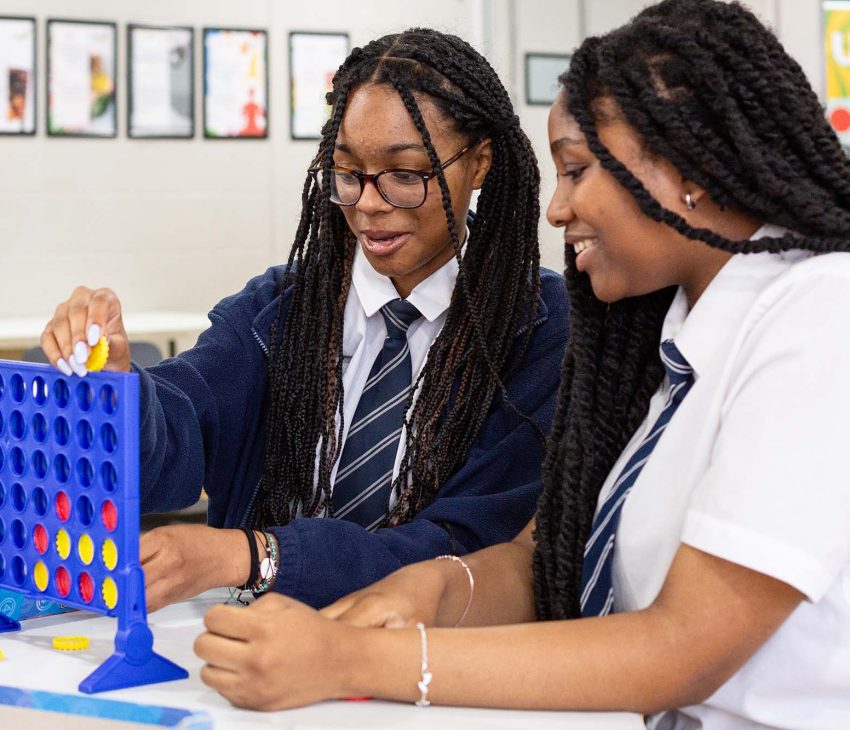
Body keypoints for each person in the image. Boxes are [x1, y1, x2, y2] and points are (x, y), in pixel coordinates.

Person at [191, 2, 850, 726]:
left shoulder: (821, 314)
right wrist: (437, 589)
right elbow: (543, 558)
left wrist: (353, 661)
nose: (557, 209)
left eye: (576, 171)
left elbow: (680, 649)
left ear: (687, 165)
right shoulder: (665, 341)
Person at [40, 29, 568, 612]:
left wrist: (258, 555)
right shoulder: (283, 307)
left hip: (430, 668)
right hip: (261, 655)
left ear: (480, 163)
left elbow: (469, 548)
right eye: (347, 172)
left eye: (405, 174)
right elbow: (182, 420)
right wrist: (116, 390)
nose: (368, 203)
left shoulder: (539, 331)